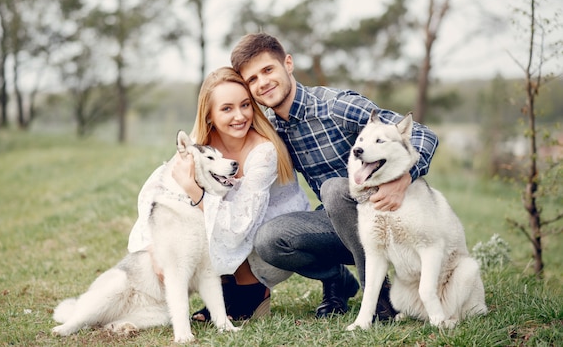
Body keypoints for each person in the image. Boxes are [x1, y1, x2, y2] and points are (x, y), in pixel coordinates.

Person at [230, 32, 439, 319]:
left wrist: (403, 179)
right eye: (252, 79)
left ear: (287, 64)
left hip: (390, 218)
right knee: (270, 240)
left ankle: (379, 296)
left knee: (335, 189)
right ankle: (337, 279)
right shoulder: (273, 129)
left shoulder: (335, 106)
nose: (262, 82)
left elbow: (424, 135)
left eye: (268, 70)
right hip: (343, 225)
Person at [127, 66, 311, 321]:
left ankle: (253, 291)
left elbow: (240, 224)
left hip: (272, 240)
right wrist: (153, 247)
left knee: (208, 215)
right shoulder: (200, 144)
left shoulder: (264, 151)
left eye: (245, 105)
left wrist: (194, 190)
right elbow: (156, 192)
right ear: (209, 115)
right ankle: (225, 291)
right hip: (233, 226)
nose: (239, 116)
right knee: (188, 219)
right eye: (227, 108)